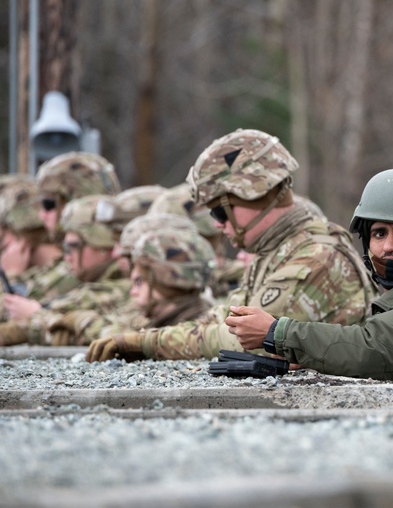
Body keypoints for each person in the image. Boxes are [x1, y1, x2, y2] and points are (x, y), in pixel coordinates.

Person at [86, 128, 375, 361]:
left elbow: (241, 341)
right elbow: (220, 318)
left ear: (254, 197)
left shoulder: (316, 257)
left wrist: (147, 344)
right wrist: (139, 335)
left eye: (219, 211)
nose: (217, 224)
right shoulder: (275, 252)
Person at [225, 168, 393, 407]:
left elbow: (372, 349)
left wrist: (276, 332)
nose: (388, 246)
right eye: (379, 234)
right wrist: (308, 358)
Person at [47, 213, 211, 345]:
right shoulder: (160, 319)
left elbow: (136, 339)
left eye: (139, 282)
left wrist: (81, 320)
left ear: (163, 282)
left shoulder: (198, 326)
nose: (132, 291)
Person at [2, 152, 121, 320]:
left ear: (75, 201)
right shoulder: (73, 260)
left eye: (49, 204)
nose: (41, 215)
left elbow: (24, 306)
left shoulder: (86, 262)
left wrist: (12, 275)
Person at [0, 194, 129, 346]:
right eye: (65, 248)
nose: (67, 257)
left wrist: (34, 314)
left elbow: (65, 322)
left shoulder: (119, 287)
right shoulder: (101, 281)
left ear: (103, 248)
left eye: (73, 247)